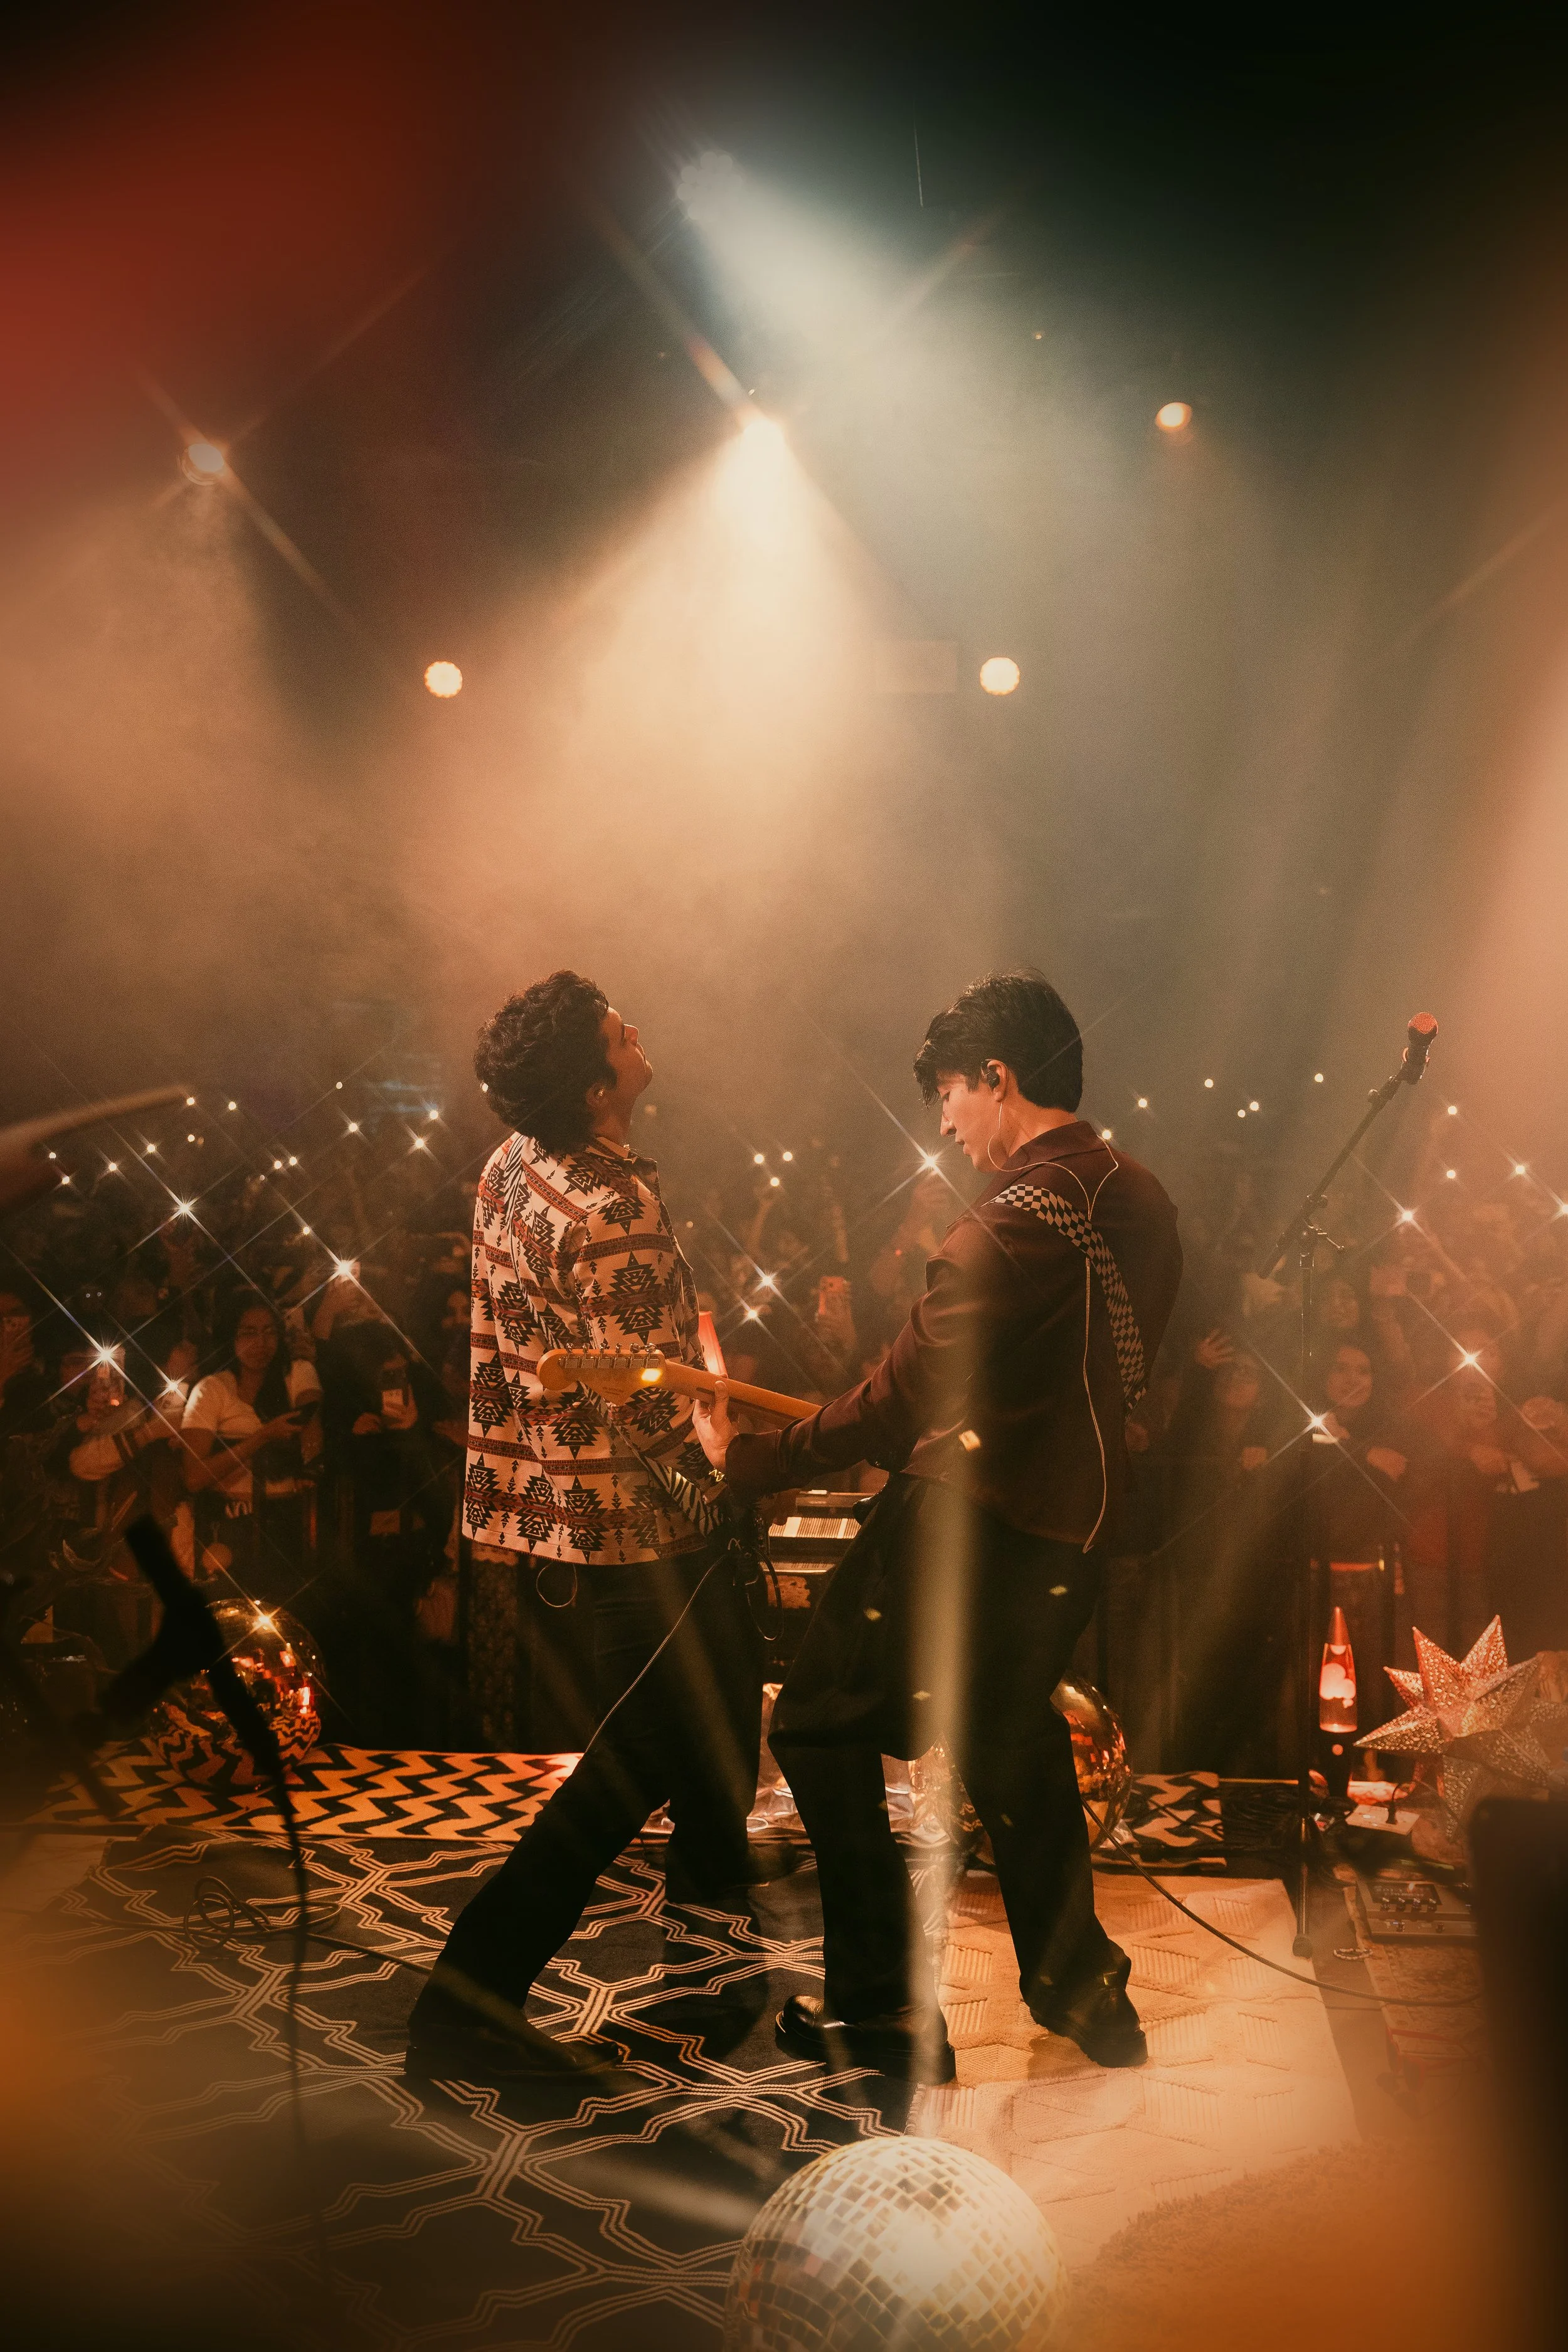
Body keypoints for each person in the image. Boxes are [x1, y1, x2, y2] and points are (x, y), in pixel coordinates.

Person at [693, 970, 1183, 2082]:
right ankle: (1086, 1997)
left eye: (952, 1099)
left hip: (971, 1523)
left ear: (995, 1078)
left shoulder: (1005, 1227)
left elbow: (899, 1398)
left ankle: (881, 2011)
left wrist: (751, 1459)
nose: (950, 1128)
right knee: (1010, 1739)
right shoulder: (1143, 1197)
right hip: (1075, 1537)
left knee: (817, 1721)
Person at [406, 972, 766, 2080]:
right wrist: (720, 1463)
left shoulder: (512, 1167)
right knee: (647, 1754)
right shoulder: (614, 1208)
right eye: (621, 1028)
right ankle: (470, 1994)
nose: (637, 1029)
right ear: (598, 1081)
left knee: (717, 1722)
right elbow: (647, 1401)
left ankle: (712, 1959)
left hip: (582, 1506)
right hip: (649, 1521)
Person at [177, 1290, 322, 1604]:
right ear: (231, 1336)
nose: (262, 1343)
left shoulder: (295, 1373)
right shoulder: (212, 1390)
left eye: (270, 1332)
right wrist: (261, 1438)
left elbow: (312, 1435)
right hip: (230, 1521)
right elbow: (194, 1477)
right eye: (249, 1333)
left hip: (288, 1517)